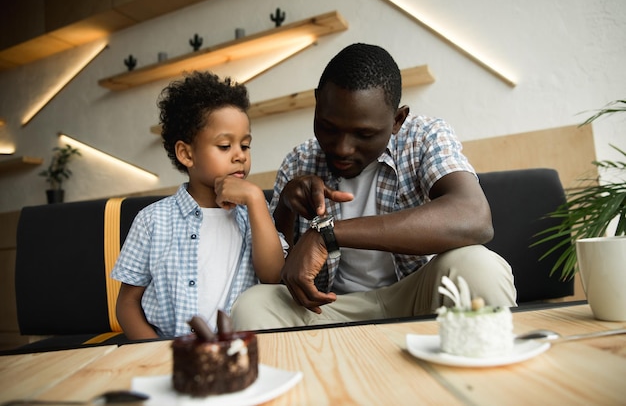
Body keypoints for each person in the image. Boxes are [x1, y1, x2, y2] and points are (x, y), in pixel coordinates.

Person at [231, 43, 517, 330]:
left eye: (364, 134)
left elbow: (473, 216)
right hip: (330, 311)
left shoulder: (423, 136)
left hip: (415, 300)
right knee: (252, 305)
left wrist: (328, 235)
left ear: (397, 120)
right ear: (317, 103)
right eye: (329, 128)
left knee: (479, 267)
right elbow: (276, 276)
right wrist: (285, 208)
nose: (342, 148)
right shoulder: (299, 161)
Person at [112, 71, 288, 339]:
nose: (240, 155)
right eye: (225, 145)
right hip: (173, 354)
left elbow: (274, 276)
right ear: (186, 154)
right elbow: (127, 304)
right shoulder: (152, 221)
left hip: (240, 351)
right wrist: (155, 353)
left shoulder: (254, 213)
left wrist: (254, 199)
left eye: (245, 145)